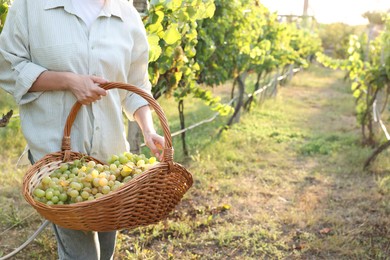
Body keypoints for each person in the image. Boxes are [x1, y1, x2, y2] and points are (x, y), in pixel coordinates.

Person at [0, 0, 164, 259]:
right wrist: (69, 81)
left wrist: (147, 129)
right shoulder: (31, 6)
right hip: (56, 159)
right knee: (82, 255)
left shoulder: (125, 13)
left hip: (109, 162)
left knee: (106, 249)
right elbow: (8, 67)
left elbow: (136, 82)